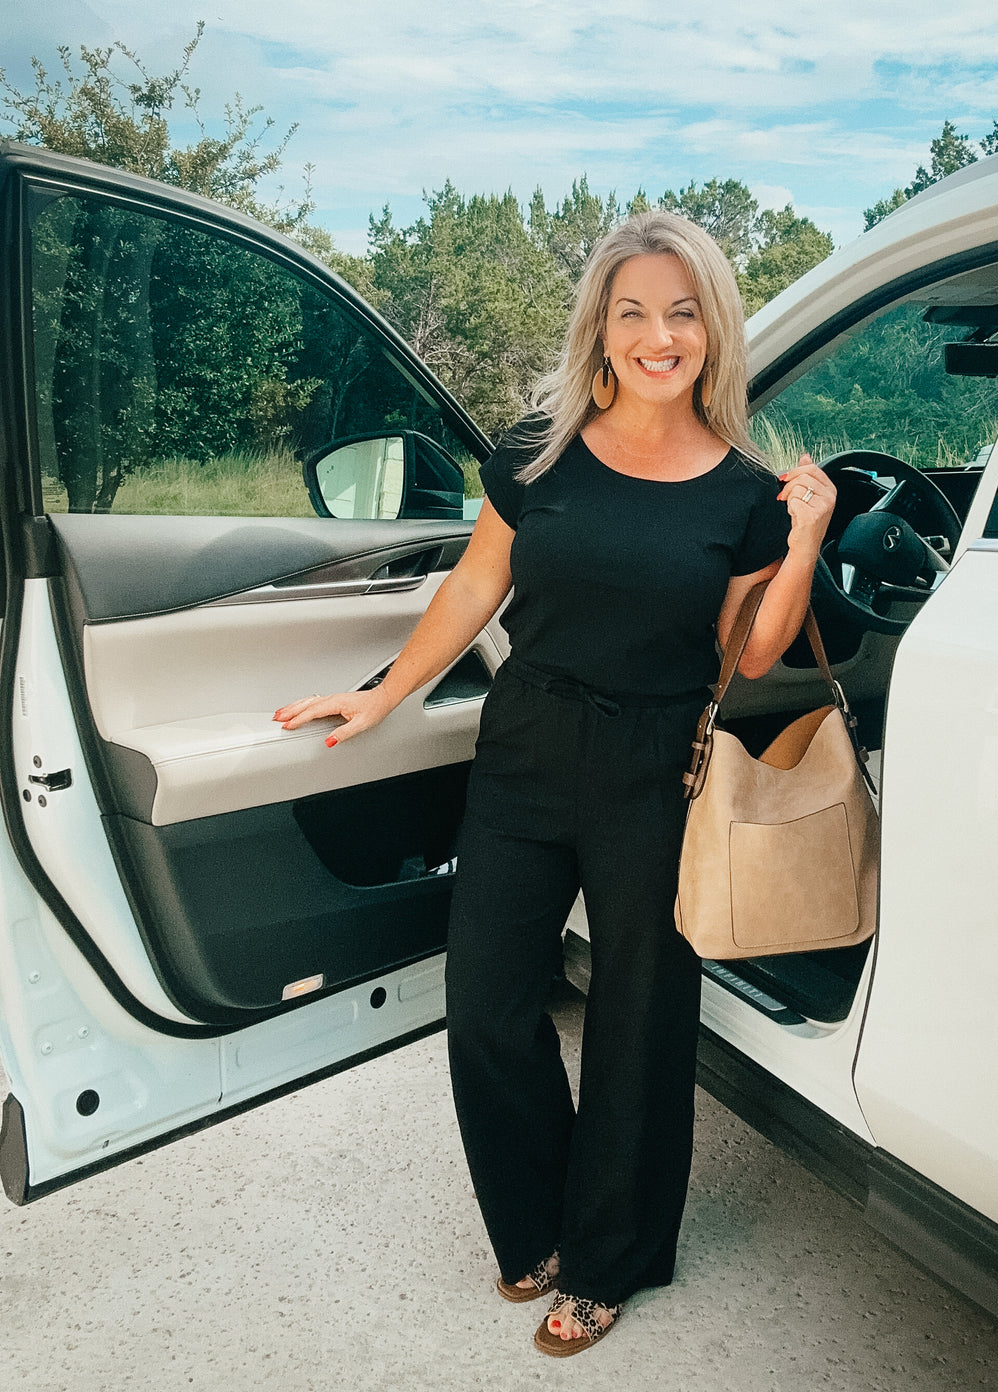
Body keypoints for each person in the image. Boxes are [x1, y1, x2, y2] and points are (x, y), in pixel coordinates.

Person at [275, 210, 837, 1357]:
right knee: (486, 1004)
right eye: (633, 311)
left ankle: (608, 1255)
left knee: (638, 1022)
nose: (658, 334)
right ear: (602, 328)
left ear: (712, 331)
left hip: (652, 764)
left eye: (682, 312)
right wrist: (381, 694)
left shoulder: (739, 491)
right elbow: (476, 588)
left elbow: (758, 650)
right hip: (526, 744)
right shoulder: (541, 451)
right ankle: (532, 1225)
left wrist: (811, 536)